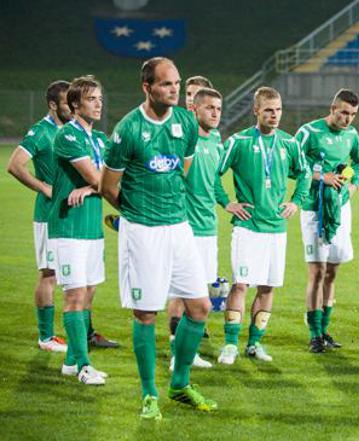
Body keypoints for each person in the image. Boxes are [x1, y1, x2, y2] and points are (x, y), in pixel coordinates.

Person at [101, 57, 216, 419]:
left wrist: (167, 206)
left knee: (200, 308)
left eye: (177, 83)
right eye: (166, 84)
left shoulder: (186, 122)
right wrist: (137, 213)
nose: (174, 90)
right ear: (147, 87)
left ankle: (179, 384)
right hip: (143, 231)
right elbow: (108, 186)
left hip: (179, 227)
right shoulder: (128, 130)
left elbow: (183, 170)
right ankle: (149, 395)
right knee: (146, 313)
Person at [215, 86, 310, 364]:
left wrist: (296, 201)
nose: (275, 115)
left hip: (276, 229)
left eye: (278, 110)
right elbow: (213, 174)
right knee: (241, 285)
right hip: (248, 227)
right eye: (269, 110)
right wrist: (227, 202)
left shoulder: (289, 143)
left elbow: (304, 173)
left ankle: (254, 343)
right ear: (256, 110)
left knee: (268, 287)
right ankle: (230, 344)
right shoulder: (239, 141)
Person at [48, 75, 109, 385]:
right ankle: (85, 367)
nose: (98, 104)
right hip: (68, 227)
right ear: (74, 104)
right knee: (74, 296)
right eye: (91, 99)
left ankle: (71, 362)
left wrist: (88, 189)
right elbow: (101, 179)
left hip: (92, 229)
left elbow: (114, 179)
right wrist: (95, 184)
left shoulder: (100, 139)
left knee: (87, 295)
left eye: (100, 98)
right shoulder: (67, 136)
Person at [296, 89, 359, 353]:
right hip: (313, 209)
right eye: (344, 113)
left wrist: (352, 186)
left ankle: (324, 330)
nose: (348, 119)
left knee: (332, 271)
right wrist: (321, 177)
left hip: (340, 209)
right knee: (317, 271)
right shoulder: (309, 132)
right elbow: (294, 164)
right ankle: (314, 333)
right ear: (332, 108)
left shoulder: (351, 135)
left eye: (353, 114)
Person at [7, 81, 70, 353]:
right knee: (49, 273)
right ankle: (46, 337)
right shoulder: (41, 132)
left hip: (72, 214)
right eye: (67, 103)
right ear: (53, 105)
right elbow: (14, 165)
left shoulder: (71, 130)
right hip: (48, 215)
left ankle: (83, 332)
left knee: (72, 276)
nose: (73, 107)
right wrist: (44, 187)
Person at [166, 86, 225, 371]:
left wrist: (227, 203)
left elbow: (214, 182)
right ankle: (176, 355)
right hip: (185, 228)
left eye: (219, 109)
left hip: (208, 228)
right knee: (180, 294)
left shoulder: (216, 140)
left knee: (200, 294)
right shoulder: (181, 140)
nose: (215, 113)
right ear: (194, 109)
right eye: (209, 108)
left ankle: (187, 352)